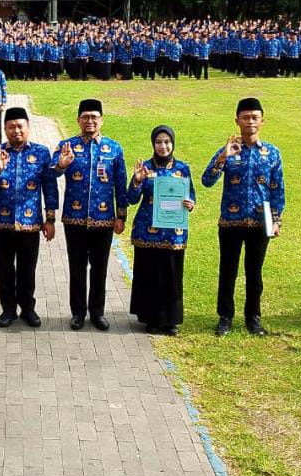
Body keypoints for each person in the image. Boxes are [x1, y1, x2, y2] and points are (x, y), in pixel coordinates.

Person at [201, 97, 285, 336]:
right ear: (237, 120)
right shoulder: (229, 149)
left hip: (259, 222)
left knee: (254, 272)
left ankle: (253, 317)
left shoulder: (271, 153)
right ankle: (225, 317)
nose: (250, 122)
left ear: (262, 121)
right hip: (231, 221)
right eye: (245, 117)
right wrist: (222, 158)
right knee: (228, 270)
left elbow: (277, 189)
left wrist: (276, 221)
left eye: (255, 117)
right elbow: (207, 181)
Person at [52, 98, 127, 331]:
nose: (90, 121)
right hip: (74, 218)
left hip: (103, 219)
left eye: (94, 117)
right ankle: (78, 313)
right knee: (76, 267)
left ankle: (97, 312)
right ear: (78, 120)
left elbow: (120, 184)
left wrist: (121, 215)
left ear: (101, 120)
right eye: (85, 117)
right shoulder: (67, 145)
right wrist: (62, 165)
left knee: (100, 267)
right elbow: (51, 172)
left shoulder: (114, 148)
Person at [0, 106, 58, 328]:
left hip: (30, 223)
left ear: (28, 127)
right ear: (4, 129)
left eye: (20, 126)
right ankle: (8, 309)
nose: (16, 131)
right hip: (1, 223)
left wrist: (50, 219)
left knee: (27, 269)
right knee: (4, 269)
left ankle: (28, 308)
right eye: (11, 127)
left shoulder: (42, 153)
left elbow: (49, 187)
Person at [127, 125, 195, 335]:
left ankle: (170, 320)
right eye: (159, 142)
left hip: (173, 233)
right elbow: (131, 198)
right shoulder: (145, 168)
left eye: (167, 142)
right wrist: (137, 181)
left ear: (172, 143)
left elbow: (191, 194)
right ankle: (150, 319)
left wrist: (190, 203)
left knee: (172, 276)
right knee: (149, 275)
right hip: (147, 231)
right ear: (153, 144)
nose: (163, 146)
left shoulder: (182, 169)